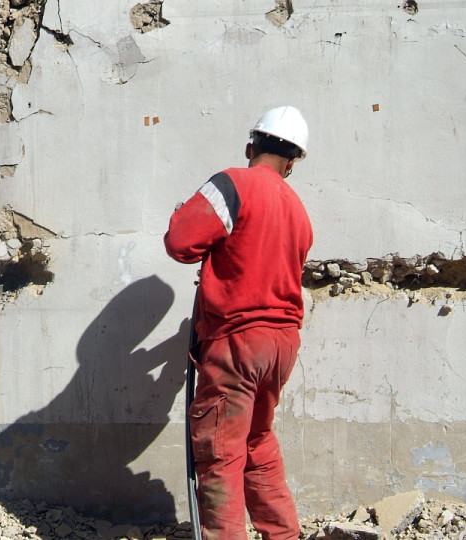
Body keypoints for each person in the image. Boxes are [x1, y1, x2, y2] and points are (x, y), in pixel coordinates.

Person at [164, 106, 313, 540]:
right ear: (292, 163)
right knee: (257, 442)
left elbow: (180, 241)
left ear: (251, 147)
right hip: (281, 345)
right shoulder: (297, 208)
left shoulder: (234, 184)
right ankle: (284, 535)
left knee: (220, 453)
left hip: (238, 342)